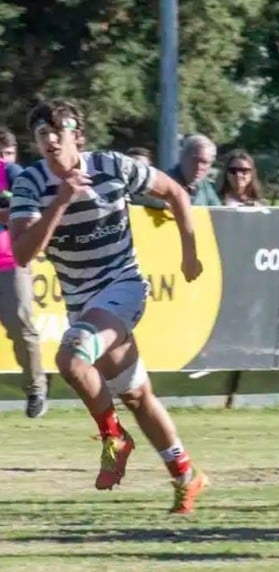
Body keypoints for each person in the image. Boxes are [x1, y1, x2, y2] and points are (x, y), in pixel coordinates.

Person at [10, 99, 208, 513]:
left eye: (56, 133)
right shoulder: (30, 184)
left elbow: (174, 191)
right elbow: (26, 254)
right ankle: (186, 475)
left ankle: (114, 438)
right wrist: (61, 201)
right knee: (135, 394)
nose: (49, 141)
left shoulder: (113, 166)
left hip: (124, 286)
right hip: (82, 300)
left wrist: (189, 251)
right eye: (41, 135)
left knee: (72, 357)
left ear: (77, 137)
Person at [0, 157, 47, 417]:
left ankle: (36, 388)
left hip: (9, 263)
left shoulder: (10, 172)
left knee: (20, 324)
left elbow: (31, 208)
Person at [167, 135, 221, 206]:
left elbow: (218, 211)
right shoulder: (165, 181)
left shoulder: (206, 188)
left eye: (204, 162)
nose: (199, 167)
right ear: (182, 157)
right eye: (195, 160)